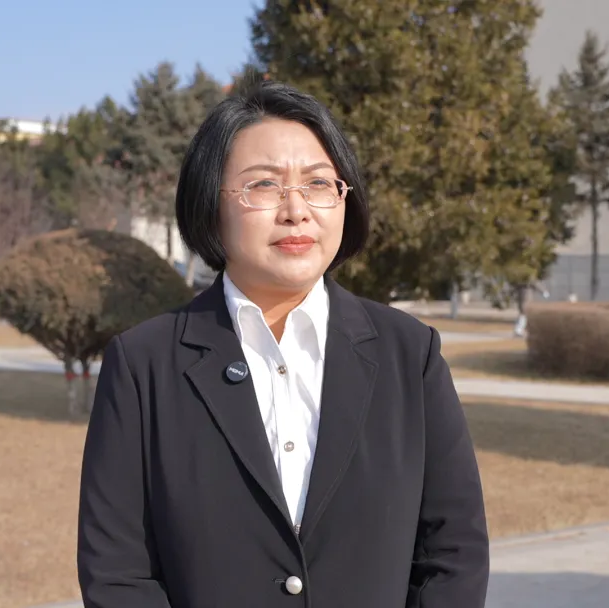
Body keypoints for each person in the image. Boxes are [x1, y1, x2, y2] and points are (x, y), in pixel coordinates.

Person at [77, 80, 490, 607]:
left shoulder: (410, 354)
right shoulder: (144, 365)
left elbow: (453, 552)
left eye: (318, 183)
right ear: (210, 203)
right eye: (264, 185)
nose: (296, 210)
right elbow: (117, 573)